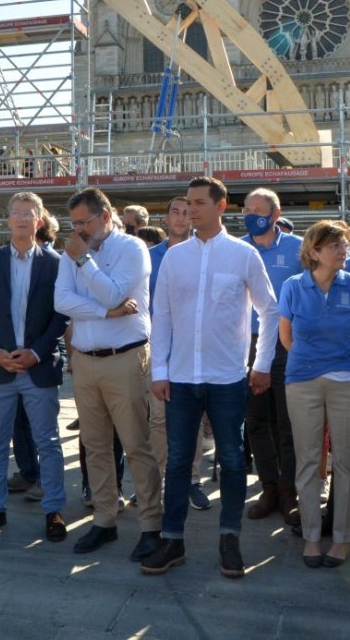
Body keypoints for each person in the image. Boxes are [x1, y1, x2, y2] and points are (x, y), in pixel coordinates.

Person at [142, 176, 278, 579]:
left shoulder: (243, 255)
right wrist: (160, 370)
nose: (190, 210)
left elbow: (269, 311)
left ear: (221, 207)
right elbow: (161, 315)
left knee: (233, 458)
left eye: (199, 203)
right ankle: (172, 540)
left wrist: (263, 364)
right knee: (179, 459)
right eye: (187, 203)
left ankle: (229, 538)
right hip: (181, 378)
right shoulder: (174, 258)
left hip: (227, 379)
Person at [55, 188, 163, 561]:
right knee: (95, 445)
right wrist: (103, 313)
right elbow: (61, 301)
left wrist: (84, 262)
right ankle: (104, 520)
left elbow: (116, 295)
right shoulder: (74, 251)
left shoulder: (131, 249)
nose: (79, 230)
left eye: (84, 222)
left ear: (105, 216)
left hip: (125, 359)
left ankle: (151, 525)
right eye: (74, 224)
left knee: (136, 445)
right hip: (85, 359)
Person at [0, 192, 69, 542]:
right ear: (8, 220)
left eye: (30, 213)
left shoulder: (55, 263)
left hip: (37, 368)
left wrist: (37, 353)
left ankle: (53, 509)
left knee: (48, 441)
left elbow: (61, 315)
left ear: (39, 221)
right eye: (17, 213)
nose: (23, 218)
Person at [279, 220, 350, 568]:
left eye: (346, 245)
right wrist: (312, 361)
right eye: (336, 245)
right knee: (307, 460)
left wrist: (338, 360)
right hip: (302, 379)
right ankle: (312, 535)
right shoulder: (292, 286)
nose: (344, 250)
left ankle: (344, 537)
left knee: (347, 460)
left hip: (349, 379)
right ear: (314, 250)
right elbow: (287, 337)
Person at [240, 187, 303, 526]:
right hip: (245, 344)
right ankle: (268, 487)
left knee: (287, 422)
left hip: (285, 344)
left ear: (275, 214)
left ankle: (288, 489)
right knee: (256, 421)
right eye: (247, 209)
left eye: (258, 209)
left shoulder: (298, 248)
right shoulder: (237, 248)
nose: (251, 214)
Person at [146, 196, 211, 509]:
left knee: (192, 419)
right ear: (166, 217)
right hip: (157, 346)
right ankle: (163, 479)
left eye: (188, 212)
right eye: (176, 211)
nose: (182, 217)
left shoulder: (204, 254)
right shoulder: (148, 257)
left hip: (191, 348)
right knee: (158, 420)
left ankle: (191, 480)